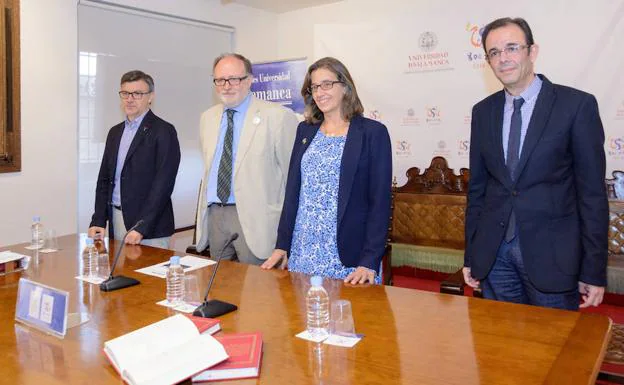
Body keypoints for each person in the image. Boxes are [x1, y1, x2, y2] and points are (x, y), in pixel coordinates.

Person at [463, 17, 608, 310]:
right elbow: (478, 190)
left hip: (553, 260)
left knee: (554, 351)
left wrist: (593, 269)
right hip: (495, 258)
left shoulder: (575, 106)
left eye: (512, 48)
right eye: (494, 52)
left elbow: (592, 195)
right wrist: (472, 255)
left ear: (532, 51)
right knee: (502, 350)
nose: (503, 58)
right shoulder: (483, 112)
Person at [261, 57, 392, 285]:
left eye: (327, 84)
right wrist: (282, 245)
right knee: (304, 318)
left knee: (351, 320)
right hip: (303, 252)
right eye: (314, 87)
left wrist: (369, 260)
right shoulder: (305, 131)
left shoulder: (373, 133)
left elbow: (379, 202)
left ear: (345, 87)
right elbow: (292, 193)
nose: (320, 92)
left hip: (350, 259)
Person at [194, 53, 299, 265]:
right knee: (220, 289)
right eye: (220, 80)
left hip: (257, 220)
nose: (227, 86)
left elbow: (293, 180)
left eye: (235, 79)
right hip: (216, 214)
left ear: (250, 80)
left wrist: (287, 235)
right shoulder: (207, 118)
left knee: (257, 292)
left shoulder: (278, 116)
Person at [89, 70, 181, 249]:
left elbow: (163, 185)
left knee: (149, 277)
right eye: (125, 93)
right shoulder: (115, 132)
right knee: (120, 275)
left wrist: (142, 227)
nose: (130, 99)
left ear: (150, 97)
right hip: (117, 218)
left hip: (150, 227)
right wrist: (98, 219)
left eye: (137, 94)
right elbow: (104, 179)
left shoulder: (164, 131)